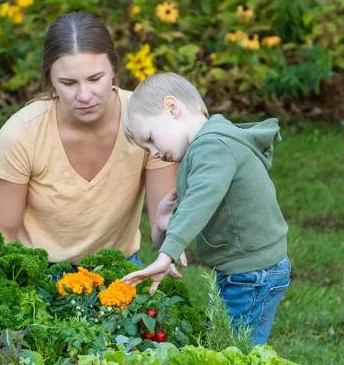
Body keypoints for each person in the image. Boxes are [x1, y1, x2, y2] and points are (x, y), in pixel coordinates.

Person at [0, 11, 178, 264]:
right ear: (51, 81)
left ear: (114, 70)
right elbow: (2, 236)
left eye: (94, 78)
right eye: (68, 82)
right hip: (38, 271)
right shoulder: (22, 133)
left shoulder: (147, 122)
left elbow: (160, 233)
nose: (85, 95)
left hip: (117, 267)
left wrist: (172, 234)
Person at [120, 72, 291, 344]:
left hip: (252, 274)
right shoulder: (205, 150)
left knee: (234, 351)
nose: (152, 152)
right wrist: (166, 222)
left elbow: (202, 198)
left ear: (172, 108)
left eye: (150, 138)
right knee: (223, 345)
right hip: (243, 271)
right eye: (145, 147)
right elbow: (200, 206)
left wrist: (167, 255)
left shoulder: (212, 146)